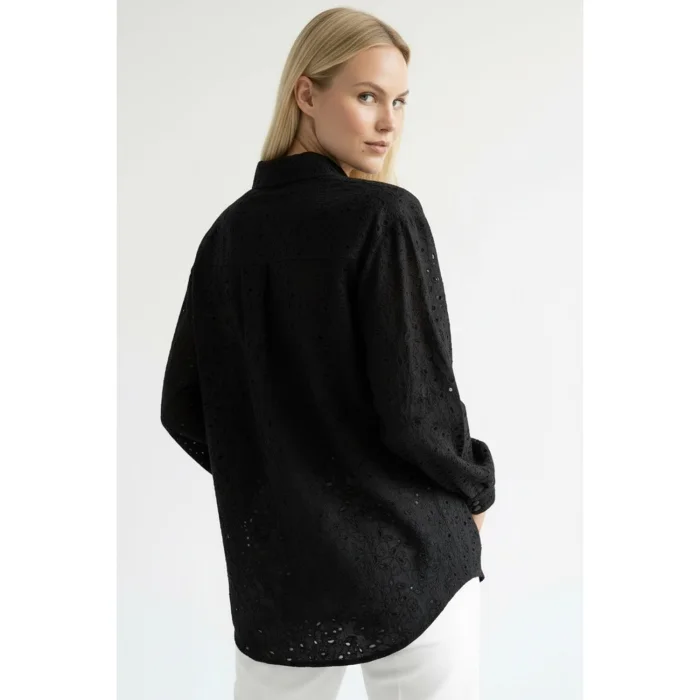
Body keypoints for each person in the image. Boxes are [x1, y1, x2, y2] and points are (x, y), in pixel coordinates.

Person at [160, 7, 496, 699]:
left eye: (399, 101)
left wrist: (284, 482)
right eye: (367, 95)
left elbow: (182, 406)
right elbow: (417, 408)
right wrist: (477, 486)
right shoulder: (384, 215)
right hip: (411, 565)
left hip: (281, 580)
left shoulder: (226, 236)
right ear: (306, 94)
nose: (388, 122)